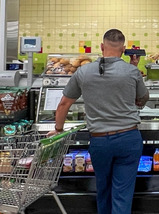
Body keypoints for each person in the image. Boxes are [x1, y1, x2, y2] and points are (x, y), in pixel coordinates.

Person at [49, 29, 148, 214]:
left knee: (103, 190)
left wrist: (58, 129)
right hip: (128, 138)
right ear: (124, 49)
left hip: (100, 141)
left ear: (102, 47)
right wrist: (134, 66)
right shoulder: (131, 71)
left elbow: (63, 104)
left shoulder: (83, 71)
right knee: (122, 194)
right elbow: (142, 99)